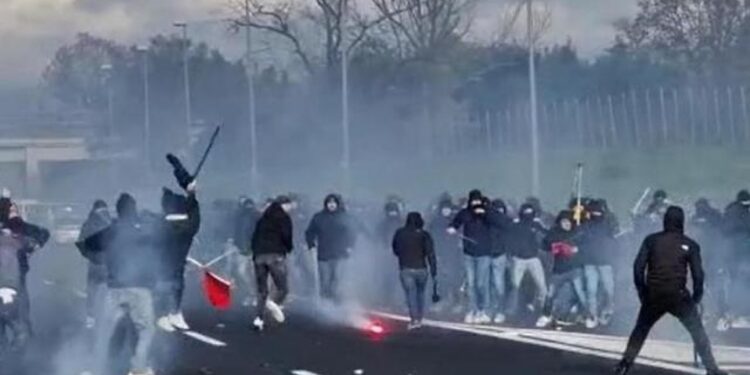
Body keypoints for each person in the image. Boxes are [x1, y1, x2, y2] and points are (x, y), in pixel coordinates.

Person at [615, 206, 727, 375]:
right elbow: (698, 275)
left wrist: (643, 292)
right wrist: (696, 298)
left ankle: (624, 365)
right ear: (682, 222)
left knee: (640, 330)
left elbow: (638, 268)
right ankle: (712, 369)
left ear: (664, 221)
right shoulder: (690, 244)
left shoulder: (651, 240)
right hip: (678, 296)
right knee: (698, 333)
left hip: (654, 294)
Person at [85, 193, 158, 375]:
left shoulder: (111, 230)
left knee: (106, 331)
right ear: (133, 210)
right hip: (139, 288)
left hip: (115, 287)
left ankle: (97, 368)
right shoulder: (142, 229)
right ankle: (138, 369)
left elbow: (89, 244)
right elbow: (157, 247)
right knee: (146, 330)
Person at [448, 189, 509, 324]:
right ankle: (472, 310)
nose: (476, 204)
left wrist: (486, 213)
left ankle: (484, 310)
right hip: (468, 254)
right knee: (471, 284)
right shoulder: (465, 213)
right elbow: (455, 222)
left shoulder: (488, 212)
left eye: (478, 201)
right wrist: (452, 228)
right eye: (473, 201)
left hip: (484, 254)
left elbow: (502, 222)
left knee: (482, 284)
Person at [155, 182, 200, 332]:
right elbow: (194, 213)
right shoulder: (188, 225)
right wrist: (192, 194)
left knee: (167, 285)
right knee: (175, 285)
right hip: (176, 263)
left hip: (166, 263)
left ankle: (165, 314)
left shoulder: (161, 224)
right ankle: (172, 312)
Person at [250, 196, 294, 331]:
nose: (290, 208)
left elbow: (254, 237)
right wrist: (288, 248)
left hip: (259, 256)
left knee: (262, 290)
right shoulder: (284, 218)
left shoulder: (262, 219)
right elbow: (286, 236)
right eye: (289, 205)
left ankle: (258, 319)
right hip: (276, 254)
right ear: (284, 205)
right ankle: (273, 303)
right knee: (283, 288)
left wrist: (255, 253)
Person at [536, 210, 586, 328]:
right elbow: (545, 244)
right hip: (558, 270)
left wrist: (576, 249)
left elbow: (585, 246)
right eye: (564, 222)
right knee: (550, 294)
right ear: (560, 222)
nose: (567, 224)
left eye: (568, 221)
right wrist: (555, 246)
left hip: (574, 269)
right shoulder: (554, 233)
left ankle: (586, 316)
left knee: (580, 293)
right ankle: (545, 315)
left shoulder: (577, 233)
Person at [305, 194, 356, 303]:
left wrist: (350, 246)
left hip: (340, 254)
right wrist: (311, 244)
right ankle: (325, 302)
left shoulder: (344, 217)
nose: (331, 205)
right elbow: (310, 232)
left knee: (337, 279)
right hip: (323, 254)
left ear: (338, 204)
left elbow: (352, 233)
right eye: (329, 203)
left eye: (333, 203)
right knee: (325, 280)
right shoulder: (318, 217)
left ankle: (336, 300)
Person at [392, 212, 437, 329]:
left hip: (406, 268)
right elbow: (430, 254)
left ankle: (414, 319)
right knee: (420, 293)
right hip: (422, 268)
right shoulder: (424, 235)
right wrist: (434, 271)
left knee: (410, 294)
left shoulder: (400, 233)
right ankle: (420, 317)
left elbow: (395, 250)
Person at [578, 199, 619, 328]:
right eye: (593, 211)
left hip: (604, 262)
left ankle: (608, 310)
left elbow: (615, 228)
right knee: (591, 291)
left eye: (597, 211)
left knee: (608, 289)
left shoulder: (608, 225)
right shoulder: (585, 226)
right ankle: (592, 315)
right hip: (589, 263)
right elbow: (577, 237)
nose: (595, 213)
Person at [506, 203, 548, 323]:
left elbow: (547, 235)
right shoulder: (515, 225)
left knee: (542, 286)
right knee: (515, 286)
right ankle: (510, 311)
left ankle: (545, 310)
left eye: (530, 212)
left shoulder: (536, 224)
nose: (528, 214)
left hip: (534, 259)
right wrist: (512, 255)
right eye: (526, 211)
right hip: (518, 259)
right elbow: (509, 240)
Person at [76, 200, 112, 329]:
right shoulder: (110, 222)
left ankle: (90, 317)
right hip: (109, 264)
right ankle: (112, 316)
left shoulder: (88, 223)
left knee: (92, 290)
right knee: (113, 289)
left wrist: (89, 256)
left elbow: (81, 243)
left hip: (95, 264)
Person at [0, 225, 31, 353]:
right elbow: (25, 267)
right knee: (15, 319)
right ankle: (17, 346)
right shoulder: (17, 245)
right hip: (13, 287)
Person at [427, 197, 461, 315]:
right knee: (439, 279)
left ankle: (456, 302)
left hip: (452, 254)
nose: (446, 211)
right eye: (444, 209)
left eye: (448, 209)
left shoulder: (455, 222)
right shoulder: (435, 222)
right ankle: (441, 301)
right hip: (438, 253)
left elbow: (459, 238)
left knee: (453, 279)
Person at [488, 198, 511, 323]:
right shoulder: (488, 224)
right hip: (487, 256)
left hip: (500, 256)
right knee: (490, 285)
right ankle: (491, 310)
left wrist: (508, 256)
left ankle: (500, 311)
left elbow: (509, 241)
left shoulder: (506, 223)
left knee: (499, 285)